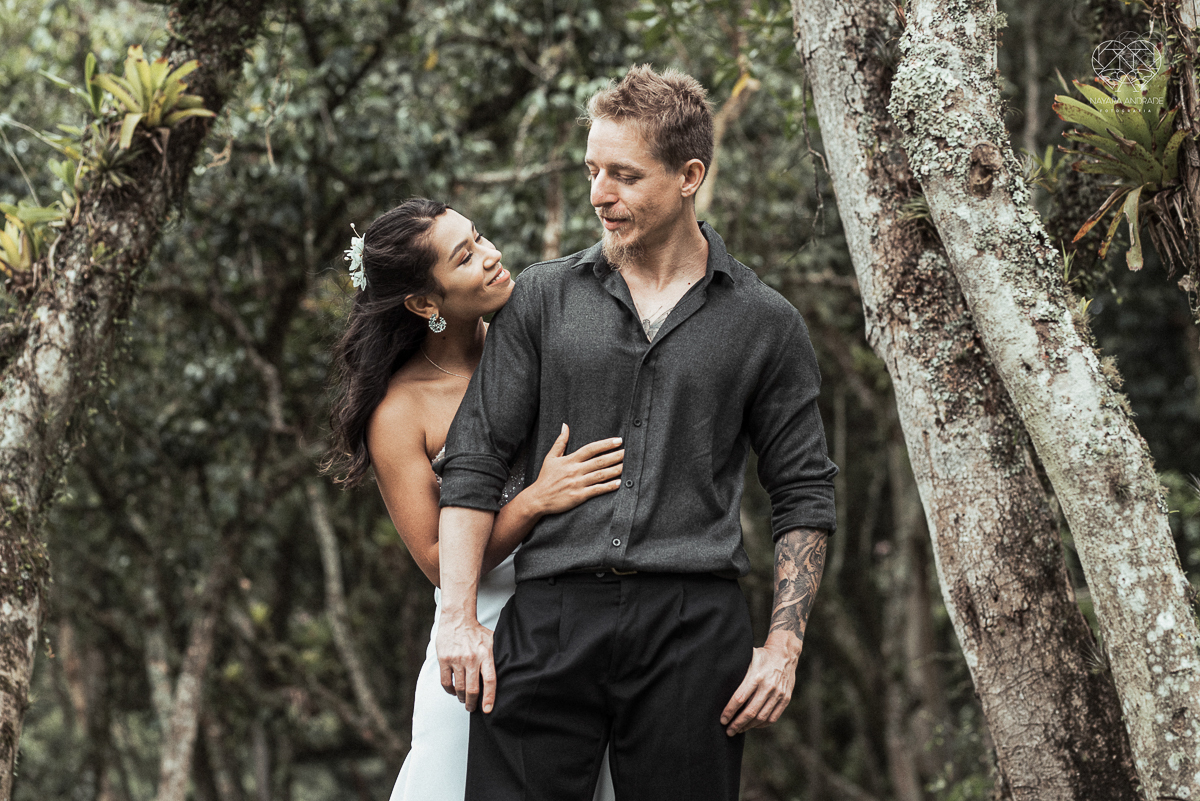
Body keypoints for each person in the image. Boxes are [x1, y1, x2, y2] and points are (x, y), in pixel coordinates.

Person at [434, 65, 838, 801]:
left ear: (690, 175)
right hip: (553, 616)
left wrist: (783, 646)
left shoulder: (765, 322)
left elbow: (804, 491)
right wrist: (456, 618)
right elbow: (474, 460)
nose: (599, 193)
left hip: (692, 627)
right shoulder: (543, 299)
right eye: (592, 170)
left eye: (623, 174)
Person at [323, 198, 619, 801]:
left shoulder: (538, 342)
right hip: (478, 634)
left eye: (480, 237)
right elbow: (436, 557)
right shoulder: (401, 410)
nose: (491, 256)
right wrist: (535, 501)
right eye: (465, 257)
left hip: (583, 620)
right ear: (425, 303)